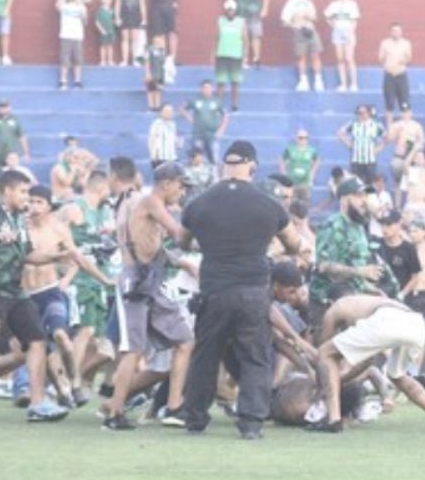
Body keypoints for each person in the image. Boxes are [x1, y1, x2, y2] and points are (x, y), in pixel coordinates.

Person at [179, 141, 302, 438]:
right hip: (253, 290)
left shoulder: (199, 203)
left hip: (214, 290)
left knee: (205, 356)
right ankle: (251, 423)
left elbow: (183, 241)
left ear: (225, 165)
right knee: (254, 357)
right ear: (252, 167)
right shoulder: (268, 204)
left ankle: (195, 419)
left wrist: (206, 244)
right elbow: (295, 244)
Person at [0, 169, 69, 424]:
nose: (27, 198)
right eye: (22, 192)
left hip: (16, 291)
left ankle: (38, 404)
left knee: (37, 341)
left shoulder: (19, 219)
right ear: (6, 191)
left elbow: (28, 255)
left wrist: (56, 257)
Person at [104, 162, 193, 430]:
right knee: (133, 350)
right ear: (166, 183)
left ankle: (175, 406)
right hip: (135, 282)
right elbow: (179, 235)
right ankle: (114, 413)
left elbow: (159, 247)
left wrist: (185, 260)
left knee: (185, 340)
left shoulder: (152, 205)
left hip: (151, 281)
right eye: (180, 185)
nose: (182, 191)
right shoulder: (152, 202)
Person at [312, 294, 425, 433]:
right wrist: (341, 378)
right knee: (398, 376)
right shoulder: (365, 304)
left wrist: (325, 384)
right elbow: (367, 360)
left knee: (325, 352)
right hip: (416, 324)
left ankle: (333, 419)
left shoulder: (335, 308)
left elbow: (323, 354)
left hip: (387, 320)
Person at [24, 185, 107, 409]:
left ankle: (76, 383)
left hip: (51, 291)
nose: (33, 206)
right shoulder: (21, 227)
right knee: (44, 347)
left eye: (39, 202)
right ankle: (62, 391)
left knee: (62, 336)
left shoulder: (59, 229)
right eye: (30, 201)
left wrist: (104, 279)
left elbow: (76, 259)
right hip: (25, 296)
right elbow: (25, 258)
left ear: (49, 206)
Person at [63, 169, 116, 406]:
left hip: (97, 279)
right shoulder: (74, 209)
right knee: (84, 332)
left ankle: (78, 380)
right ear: (101, 187)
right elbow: (57, 237)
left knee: (98, 339)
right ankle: (72, 384)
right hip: (80, 280)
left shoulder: (102, 212)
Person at [311, 177, 393, 315]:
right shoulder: (332, 226)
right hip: (328, 302)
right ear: (344, 200)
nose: (364, 201)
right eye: (358, 196)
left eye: (365, 196)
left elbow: (352, 265)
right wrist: (360, 272)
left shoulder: (358, 227)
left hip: (353, 296)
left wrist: (368, 288)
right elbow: (323, 266)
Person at [281, 0, 323, 92]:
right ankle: (303, 80)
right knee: (301, 57)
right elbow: (284, 21)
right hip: (299, 32)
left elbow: (315, 18)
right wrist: (294, 24)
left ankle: (318, 80)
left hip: (311, 31)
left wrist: (306, 16)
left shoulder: (308, 3)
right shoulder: (289, 5)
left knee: (315, 55)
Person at [145, 0, 182, 76]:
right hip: (156, 6)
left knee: (172, 32)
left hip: (169, 5)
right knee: (159, 33)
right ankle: (163, 57)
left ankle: (172, 57)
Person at [324, 0, 361, 92]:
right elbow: (327, 16)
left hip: (348, 32)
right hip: (337, 33)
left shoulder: (352, 4)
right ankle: (343, 84)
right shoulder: (334, 5)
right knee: (340, 59)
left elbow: (354, 20)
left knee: (349, 58)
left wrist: (350, 32)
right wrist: (332, 24)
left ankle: (353, 84)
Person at [339, 105, 386, 189]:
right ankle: (357, 201)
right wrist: (349, 144)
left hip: (370, 160)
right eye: (358, 113)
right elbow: (340, 133)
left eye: (361, 113)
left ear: (368, 113)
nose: (359, 115)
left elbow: (386, 137)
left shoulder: (376, 125)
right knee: (356, 185)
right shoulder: (354, 124)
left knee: (369, 185)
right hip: (356, 160)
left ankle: (369, 201)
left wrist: (378, 149)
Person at [214, 0, 248, 110]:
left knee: (235, 82)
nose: (230, 12)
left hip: (236, 55)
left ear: (235, 10)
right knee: (221, 81)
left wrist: (245, 55)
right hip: (222, 54)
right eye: (228, 10)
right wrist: (213, 52)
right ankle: (218, 104)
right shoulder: (220, 21)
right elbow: (217, 38)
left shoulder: (241, 22)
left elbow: (245, 39)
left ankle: (234, 104)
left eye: (232, 10)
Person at [386, 102, 425, 196]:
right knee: (397, 182)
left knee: (412, 183)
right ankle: (398, 207)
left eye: (407, 112)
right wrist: (396, 131)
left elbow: (421, 141)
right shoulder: (396, 125)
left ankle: (411, 202)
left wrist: (414, 148)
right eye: (403, 112)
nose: (405, 114)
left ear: (411, 113)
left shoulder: (417, 126)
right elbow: (389, 139)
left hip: (412, 157)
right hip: (399, 156)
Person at [182, 81, 227, 162]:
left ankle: (215, 174)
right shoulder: (195, 101)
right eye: (204, 87)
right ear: (201, 89)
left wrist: (221, 130)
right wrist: (190, 119)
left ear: (212, 89)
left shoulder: (217, 101)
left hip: (212, 135)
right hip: (198, 134)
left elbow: (225, 115)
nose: (207, 89)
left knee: (215, 159)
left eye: (209, 87)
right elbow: (182, 109)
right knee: (198, 158)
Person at [378, 23, 413, 125]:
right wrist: (385, 60)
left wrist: (404, 60)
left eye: (398, 31)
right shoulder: (384, 43)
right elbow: (380, 58)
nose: (396, 33)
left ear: (401, 32)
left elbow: (409, 58)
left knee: (405, 102)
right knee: (389, 103)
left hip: (401, 75)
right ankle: (390, 127)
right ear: (390, 32)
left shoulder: (406, 43)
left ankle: (406, 126)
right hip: (389, 75)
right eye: (393, 30)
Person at [56, 0, 87, 90]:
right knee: (64, 59)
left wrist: (80, 3)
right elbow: (57, 4)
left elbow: (85, 21)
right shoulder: (64, 6)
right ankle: (63, 81)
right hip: (65, 35)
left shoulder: (81, 7)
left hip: (77, 36)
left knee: (77, 59)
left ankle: (77, 81)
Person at [114, 0, 145, 67]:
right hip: (124, 15)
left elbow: (142, 4)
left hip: (135, 15)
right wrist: (117, 17)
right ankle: (125, 60)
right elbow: (117, 4)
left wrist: (144, 18)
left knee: (135, 39)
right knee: (125, 38)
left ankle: (135, 60)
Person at [279, 129, 319, 203]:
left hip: (305, 182)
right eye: (300, 138)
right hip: (292, 182)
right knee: (290, 203)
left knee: (305, 203)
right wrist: (284, 173)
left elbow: (317, 160)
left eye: (305, 138)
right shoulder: (290, 149)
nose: (303, 140)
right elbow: (281, 159)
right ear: (296, 138)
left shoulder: (312, 150)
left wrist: (312, 174)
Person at [142, 34, 168, 109]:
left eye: (161, 38)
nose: (159, 40)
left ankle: (157, 106)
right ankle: (151, 106)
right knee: (151, 90)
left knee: (158, 90)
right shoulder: (149, 49)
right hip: (152, 73)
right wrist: (147, 73)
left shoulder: (162, 50)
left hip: (160, 73)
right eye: (157, 38)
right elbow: (147, 61)